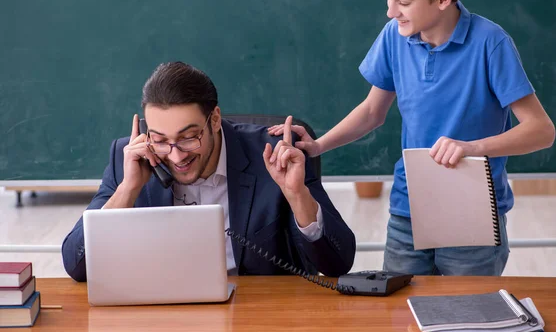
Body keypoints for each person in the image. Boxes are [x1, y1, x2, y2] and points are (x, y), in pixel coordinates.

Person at [269, 0, 555, 276]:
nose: (391, 12)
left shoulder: (490, 43)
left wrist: (471, 148)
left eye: (403, 1)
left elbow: (542, 131)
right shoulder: (394, 36)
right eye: (389, 0)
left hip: (472, 215)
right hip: (408, 210)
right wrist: (318, 146)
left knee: (466, 320)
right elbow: (372, 111)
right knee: (401, 318)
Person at [62, 61, 356, 282]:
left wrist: (297, 195)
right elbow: (76, 267)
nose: (176, 155)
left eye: (189, 137)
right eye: (161, 139)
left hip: (260, 316)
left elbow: (338, 263)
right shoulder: (129, 159)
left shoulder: (274, 155)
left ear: (214, 119)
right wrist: (127, 190)